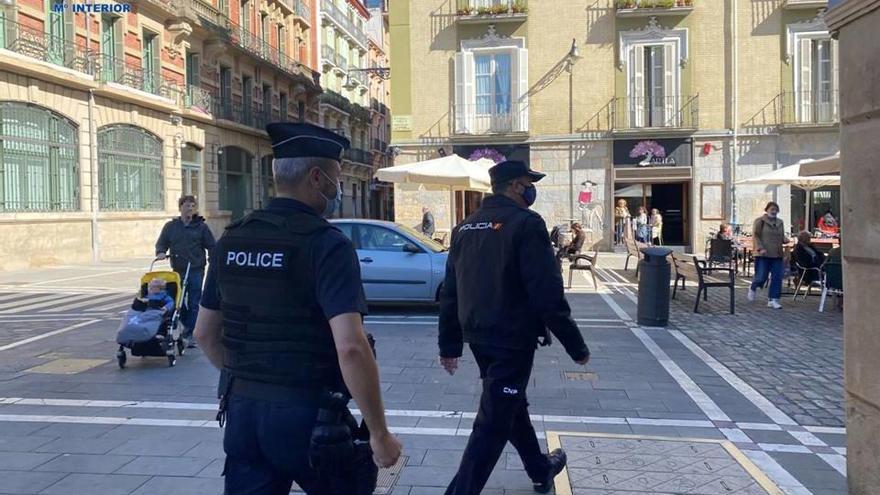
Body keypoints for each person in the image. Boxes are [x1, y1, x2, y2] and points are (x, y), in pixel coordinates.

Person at [193, 123, 401, 494]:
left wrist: (251, 376)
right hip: (309, 417)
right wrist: (380, 433)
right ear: (317, 178)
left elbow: (204, 334)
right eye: (336, 177)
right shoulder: (327, 245)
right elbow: (351, 347)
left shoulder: (233, 238)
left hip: (243, 412)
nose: (337, 187)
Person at [438, 160, 591, 495]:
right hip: (512, 339)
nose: (531, 188)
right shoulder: (526, 223)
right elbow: (546, 291)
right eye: (528, 182)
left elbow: (450, 289)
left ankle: (540, 468)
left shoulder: (465, 226)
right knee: (492, 422)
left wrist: (449, 344)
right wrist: (576, 346)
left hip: (478, 335)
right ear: (515, 187)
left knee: (509, 404)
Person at [155, 195, 215, 347]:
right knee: (177, 301)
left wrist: (213, 260)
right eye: (187, 206)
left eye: (192, 206)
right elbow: (162, 243)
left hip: (196, 268)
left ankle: (191, 332)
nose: (190, 209)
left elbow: (211, 245)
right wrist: (161, 252)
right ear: (180, 207)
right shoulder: (171, 227)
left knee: (195, 301)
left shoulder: (201, 227)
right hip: (178, 269)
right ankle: (189, 325)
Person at [748, 202, 789, 309]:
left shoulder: (780, 222)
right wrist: (760, 248)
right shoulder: (760, 221)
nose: (774, 211)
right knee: (761, 276)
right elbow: (756, 236)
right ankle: (753, 286)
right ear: (767, 210)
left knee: (777, 277)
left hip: (777, 254)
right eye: (772, 209)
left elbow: (781, 235)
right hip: (763, 253)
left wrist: (785, 239)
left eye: (776, 209)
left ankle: (773, 299)